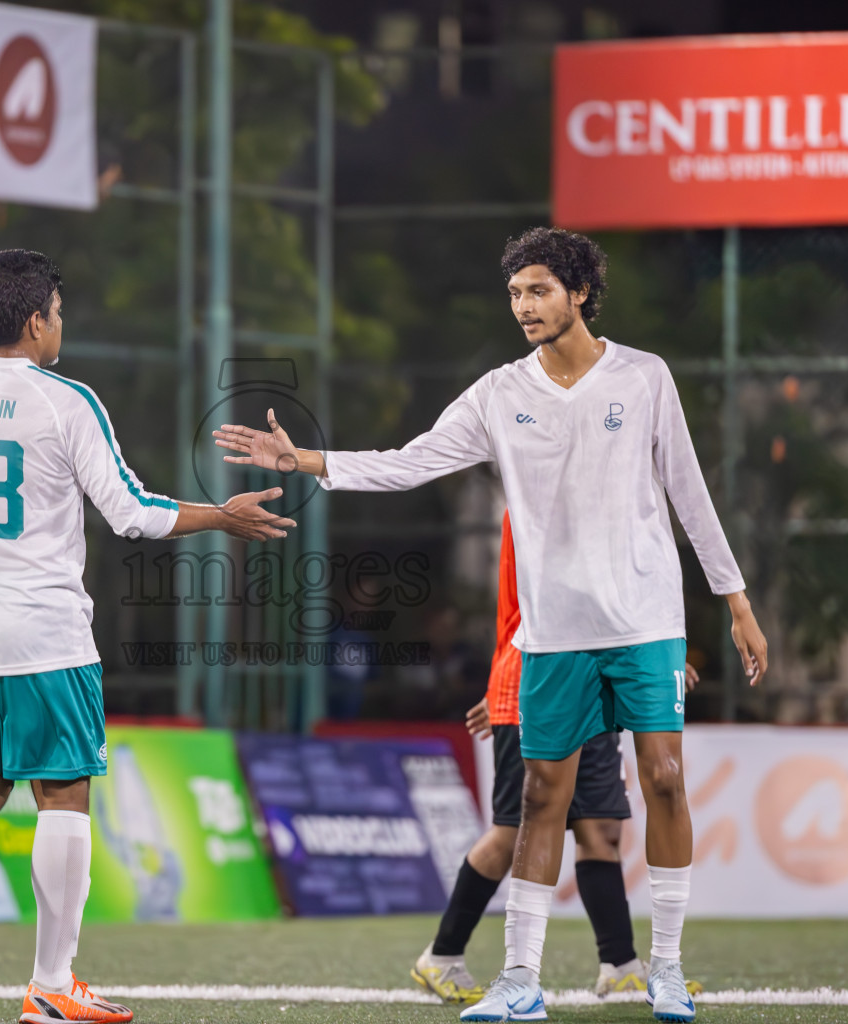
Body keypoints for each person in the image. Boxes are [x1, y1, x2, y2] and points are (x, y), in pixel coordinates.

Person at [213, 227, 768, 1023]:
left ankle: (668, 969)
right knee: (541, 797)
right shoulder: (498, 394)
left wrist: (736, 603)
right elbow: (410, 461)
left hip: (645, 620)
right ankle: (519, 979)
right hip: (551, 635)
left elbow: (690, 493)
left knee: (667, 781)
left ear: (578, 292)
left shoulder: (644, 377)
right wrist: (306, 460)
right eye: (514, 293)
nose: (524, 306)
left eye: (539, 289)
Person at [0, 249, 294, 1022]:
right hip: (46, 639)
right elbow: (132, 512)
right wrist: (221, 515)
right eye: (57, 310)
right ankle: (52, 985)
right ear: (33, 321)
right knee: (63, 791)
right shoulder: (64, 400)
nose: (62, 323)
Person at [413, 512, 699, 1004]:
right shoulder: (537, 495)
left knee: (599, 828)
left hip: (593, 674)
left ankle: (621, 963)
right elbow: (549, 602)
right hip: (547, 677)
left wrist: (648, 659)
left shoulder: (590, 487)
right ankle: (443, 954)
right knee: (513, 831)